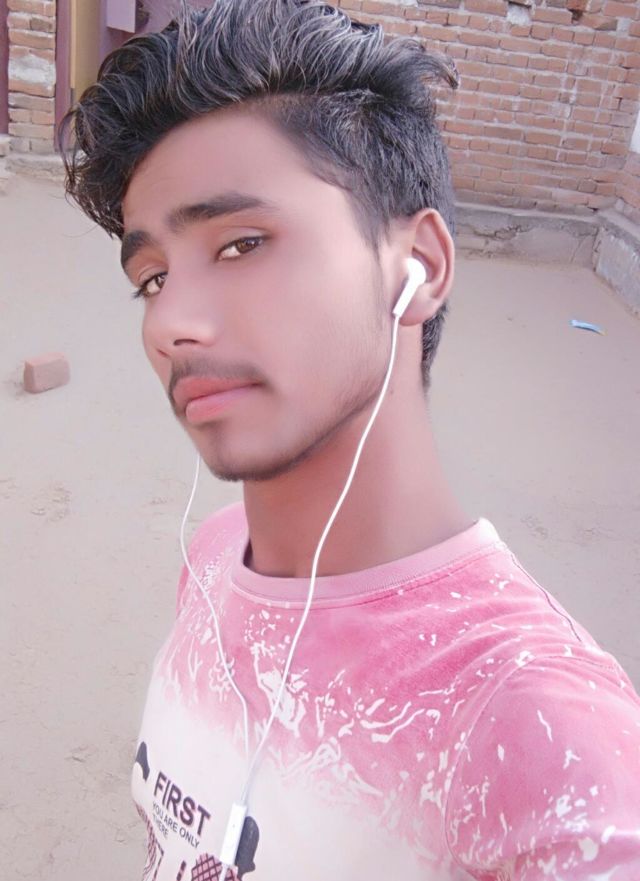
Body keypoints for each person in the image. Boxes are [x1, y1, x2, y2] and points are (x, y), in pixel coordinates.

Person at [60, 1, 640, 878]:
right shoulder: (214, 557)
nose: (171, 322)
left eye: (242, 244)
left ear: (420, 266)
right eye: (152, 277)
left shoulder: (550, 752)